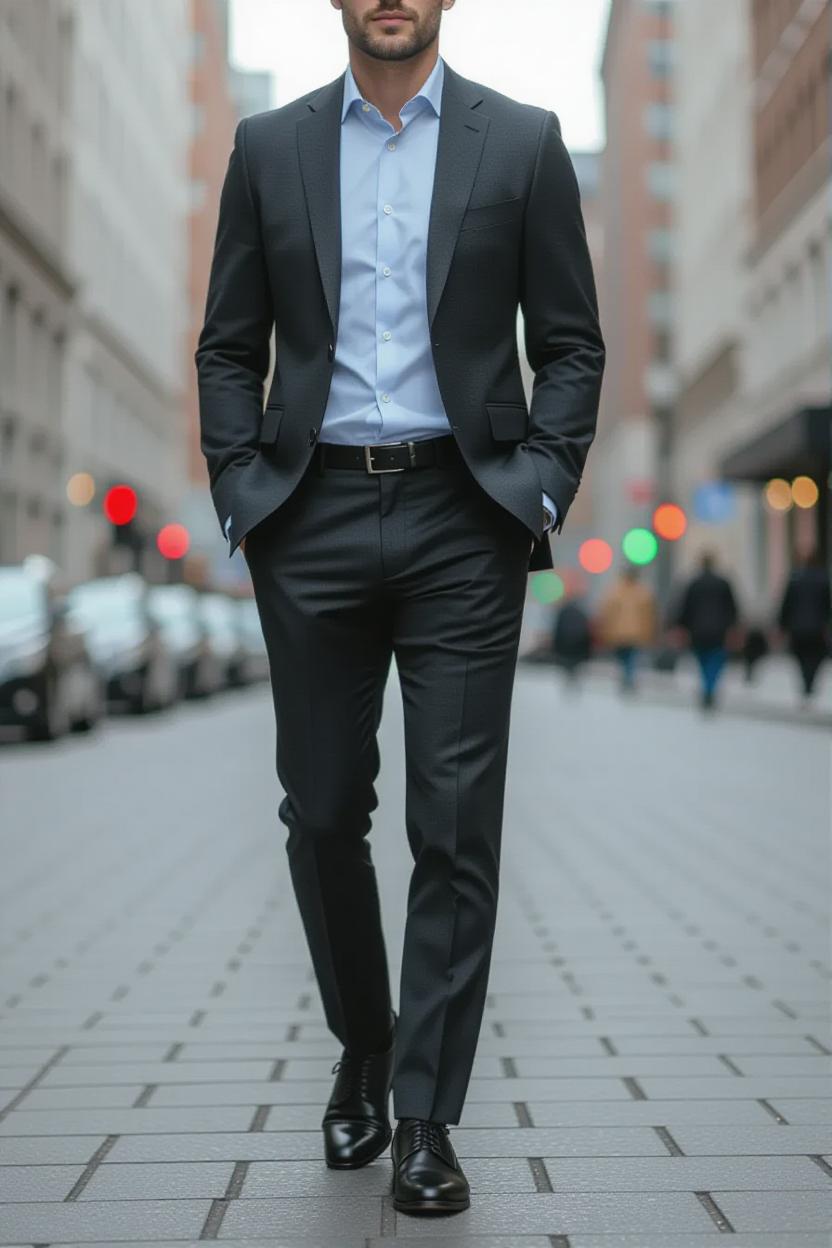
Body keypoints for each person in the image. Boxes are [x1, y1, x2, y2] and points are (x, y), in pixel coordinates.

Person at [195, 0, 604, 1217]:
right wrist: (238, 489)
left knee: (455, 821)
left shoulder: (520, 142)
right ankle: (365, 1038)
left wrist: (534, 491)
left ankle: (424, 1113)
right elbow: (230, 343)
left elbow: (570, 343)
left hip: (462, 517)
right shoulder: (269, 148)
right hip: (307, 513)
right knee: (321, 815)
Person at [671, 551, 739, 710]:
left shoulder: (693, 583)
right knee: (715, 660)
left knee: (702, 661)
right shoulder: (723, 583)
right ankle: (710, 688)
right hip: (719, 629)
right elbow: (732, 608)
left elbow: (684, 608)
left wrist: (681, 627)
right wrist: (733, 626)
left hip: (697, 630)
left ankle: (707, 688)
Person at [777, 549, 831, 701]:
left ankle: (806, 682)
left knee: (801, 656)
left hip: (797, 627)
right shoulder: (823, 579)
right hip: (817, 626)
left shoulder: (795, 579)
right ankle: (810, 681)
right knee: (815, 656)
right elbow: (827, 605)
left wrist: (781, 625)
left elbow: (786, 604)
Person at [596, 565, 657, 693]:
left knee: (624, 657)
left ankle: (626, 678)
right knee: (631, 657)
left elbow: (607, 613)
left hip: (619, 633)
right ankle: (628, 677)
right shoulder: (643, 592)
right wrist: (649, 633)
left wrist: (606, 631)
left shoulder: (615, 591)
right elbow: (649, 615)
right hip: (636, 633)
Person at [552, 595, 593, 686]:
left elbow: (558, 630)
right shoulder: (582, 613)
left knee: (568, 662)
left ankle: (570, 677)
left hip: (565, 644)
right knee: (574, 662)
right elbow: (587, 632)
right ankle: (572, 676)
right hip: (578, 645)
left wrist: (555, 645)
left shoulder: (563, 612)